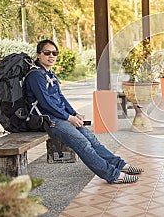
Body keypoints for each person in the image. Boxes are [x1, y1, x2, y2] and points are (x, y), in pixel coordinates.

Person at [25, 39, 142, 184]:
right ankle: (113, 175)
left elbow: (60, 97)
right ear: (38, 55)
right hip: (47, 120)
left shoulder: (49, 73)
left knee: (92, 139)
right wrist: (68, 118)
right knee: (82, 143)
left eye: (54, 53)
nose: (51, 56)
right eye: (47, 53)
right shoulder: (35, 76)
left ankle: (120, 165)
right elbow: (45, 103)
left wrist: (75, 114)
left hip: (60, 116)